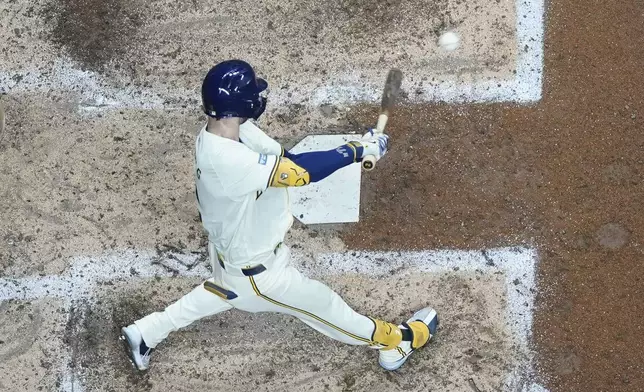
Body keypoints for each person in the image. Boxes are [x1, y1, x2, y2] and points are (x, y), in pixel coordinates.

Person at [120, 59, 438, 372]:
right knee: (325, 307)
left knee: (224, 290)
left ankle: (147, 332)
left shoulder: (226, 131)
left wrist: (360, 146)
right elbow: (299, 173)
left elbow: (288, 158)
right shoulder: (226, 159)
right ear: (241, 102)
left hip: (230, 254)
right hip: (259, 274)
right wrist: (355, 152)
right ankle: (397, 342)